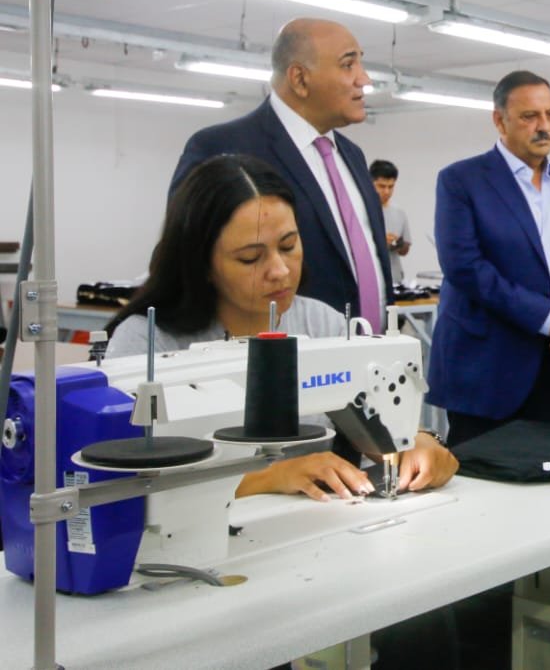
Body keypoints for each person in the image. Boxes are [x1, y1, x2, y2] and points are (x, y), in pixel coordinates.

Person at [108, 154, 457, 499]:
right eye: (250, 257)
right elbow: (123, 481)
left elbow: (382, 424)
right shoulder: (145, 342)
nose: (280, 271)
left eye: (289, 246)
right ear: (201, 263)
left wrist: (419, 443)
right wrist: (271, 476)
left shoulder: (323, 324)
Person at [169, 17, 393, 333]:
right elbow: (185, 263)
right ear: (299, 79)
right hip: (283, 352)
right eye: (348, 65)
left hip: (374, 353)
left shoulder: (351, 155)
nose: (364, 78)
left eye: (361, 63)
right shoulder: (223, 148)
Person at [428, 70, 550, 446]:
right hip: (485, 369)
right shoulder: (462, 181)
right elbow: (464, 266)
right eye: (529, 116)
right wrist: (545, 316)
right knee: (478, 477)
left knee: (547, 471)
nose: (543, 126)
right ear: (500, 120)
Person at [370, 158, 412, 284]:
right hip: (371, 278)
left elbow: (405, 250)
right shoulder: (361, 211)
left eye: (391, 187)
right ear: (370, 183)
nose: (387, 191)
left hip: (395, 278)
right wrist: (380, 241)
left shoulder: (399, 212)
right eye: (381, 186)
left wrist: (397, 243)